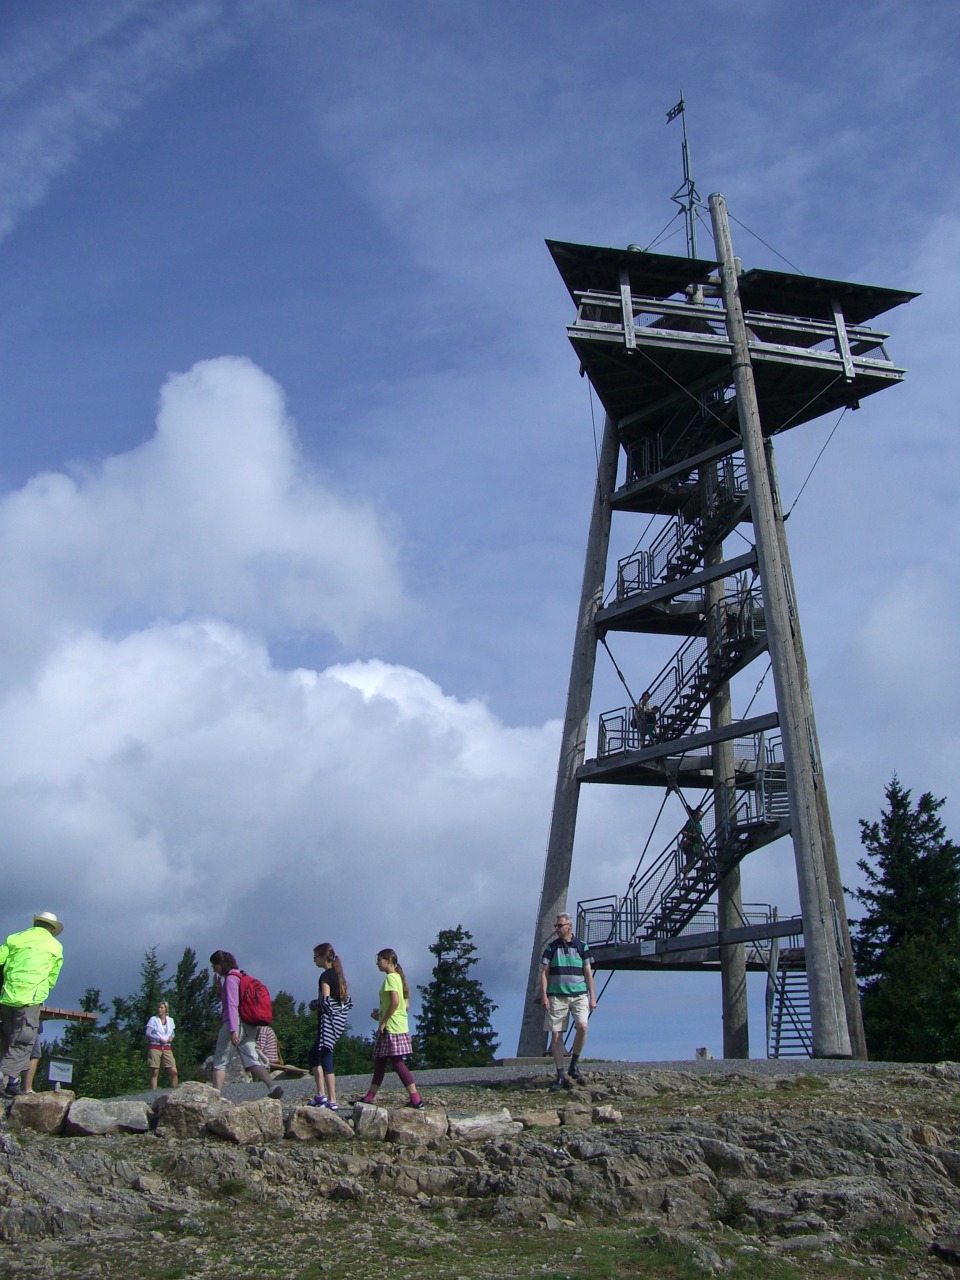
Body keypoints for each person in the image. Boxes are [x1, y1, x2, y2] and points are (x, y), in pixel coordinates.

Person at [0, 912, 64, 1099]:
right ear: (52, 929)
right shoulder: (55, 946)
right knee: (23, 1040)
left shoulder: (15, 938)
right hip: (31, 997)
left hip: (7, 995)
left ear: (36, 923)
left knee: (7, 1036)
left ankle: (12, 1083)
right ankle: (8, 1079)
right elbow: (52, 977)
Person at [209, 951, 283, 1099]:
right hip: (250, 1024)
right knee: (251, 1058)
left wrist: (233, 1029)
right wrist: (219, 989)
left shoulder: (230, 979)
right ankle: (273, 1086)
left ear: (220, 964)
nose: (213, 969)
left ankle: (215, 1096)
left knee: (220, 1060)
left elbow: (232, 1005)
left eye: (214, 965)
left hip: (234, 1022)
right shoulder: (240, 976)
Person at [358, 949, 423, 1109]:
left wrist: (384, 1021)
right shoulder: (398, 978)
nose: (377, 963)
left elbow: (394, 1002)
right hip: (396, 1025)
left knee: (397, 1062)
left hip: (392, 1027)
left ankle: (416, 1098)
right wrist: (380, 1015)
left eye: (379, 960)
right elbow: (404, 1006)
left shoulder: (391, 978)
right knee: (380, 1061)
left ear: (388, 961)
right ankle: (369, 1096)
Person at [540, 912, 597, 1092]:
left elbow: (588, 972)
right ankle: (559, 1074)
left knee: (582, 1027)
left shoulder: (582, 946)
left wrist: (592, 997)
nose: (557, 929)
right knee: (556, 1034)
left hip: (579, 994)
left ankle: (574, 1063)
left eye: (560, 925)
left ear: (569, 926)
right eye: (556, 926)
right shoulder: (551, 948)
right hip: (557, 995)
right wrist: (544, 995)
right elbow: (544, 972)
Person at [307, 942, 352, 1111]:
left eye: (315, 957)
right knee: (314, 1054)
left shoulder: (325, 976)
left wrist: (313, 1004)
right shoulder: (338, 975)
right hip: (335, 1024)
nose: (314, 961)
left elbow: (325, 1001)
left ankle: (331, 1099)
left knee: (325, 1057)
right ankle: (321, 1095)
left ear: (322, 957)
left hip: (326, 1024)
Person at [145, 1000, 179, 1090]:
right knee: (155, 1071)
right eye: (159, 1007)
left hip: (167, 1047)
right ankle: (153, 1091)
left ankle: (174, 1089)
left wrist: (171, 1038)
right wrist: (158, 1038)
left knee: (173, 1071)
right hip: (155, 1046)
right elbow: (148, 1033)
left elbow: (172, 1033)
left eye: (162, 1007)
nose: (159, 1009)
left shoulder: (170, 1020)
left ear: (165, 1009)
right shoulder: (153, 1019)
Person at [681, 808, 705, 874]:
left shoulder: (699, 826)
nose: (701, 817)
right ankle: (684, 880)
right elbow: (683, 831)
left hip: (697, 845)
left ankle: (700, 872)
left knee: (705, 857)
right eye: (700, 815)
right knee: (690, 863)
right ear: (697, 815)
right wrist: (690, 835)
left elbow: (698, 835)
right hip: (691, 845)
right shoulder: (691, 823)